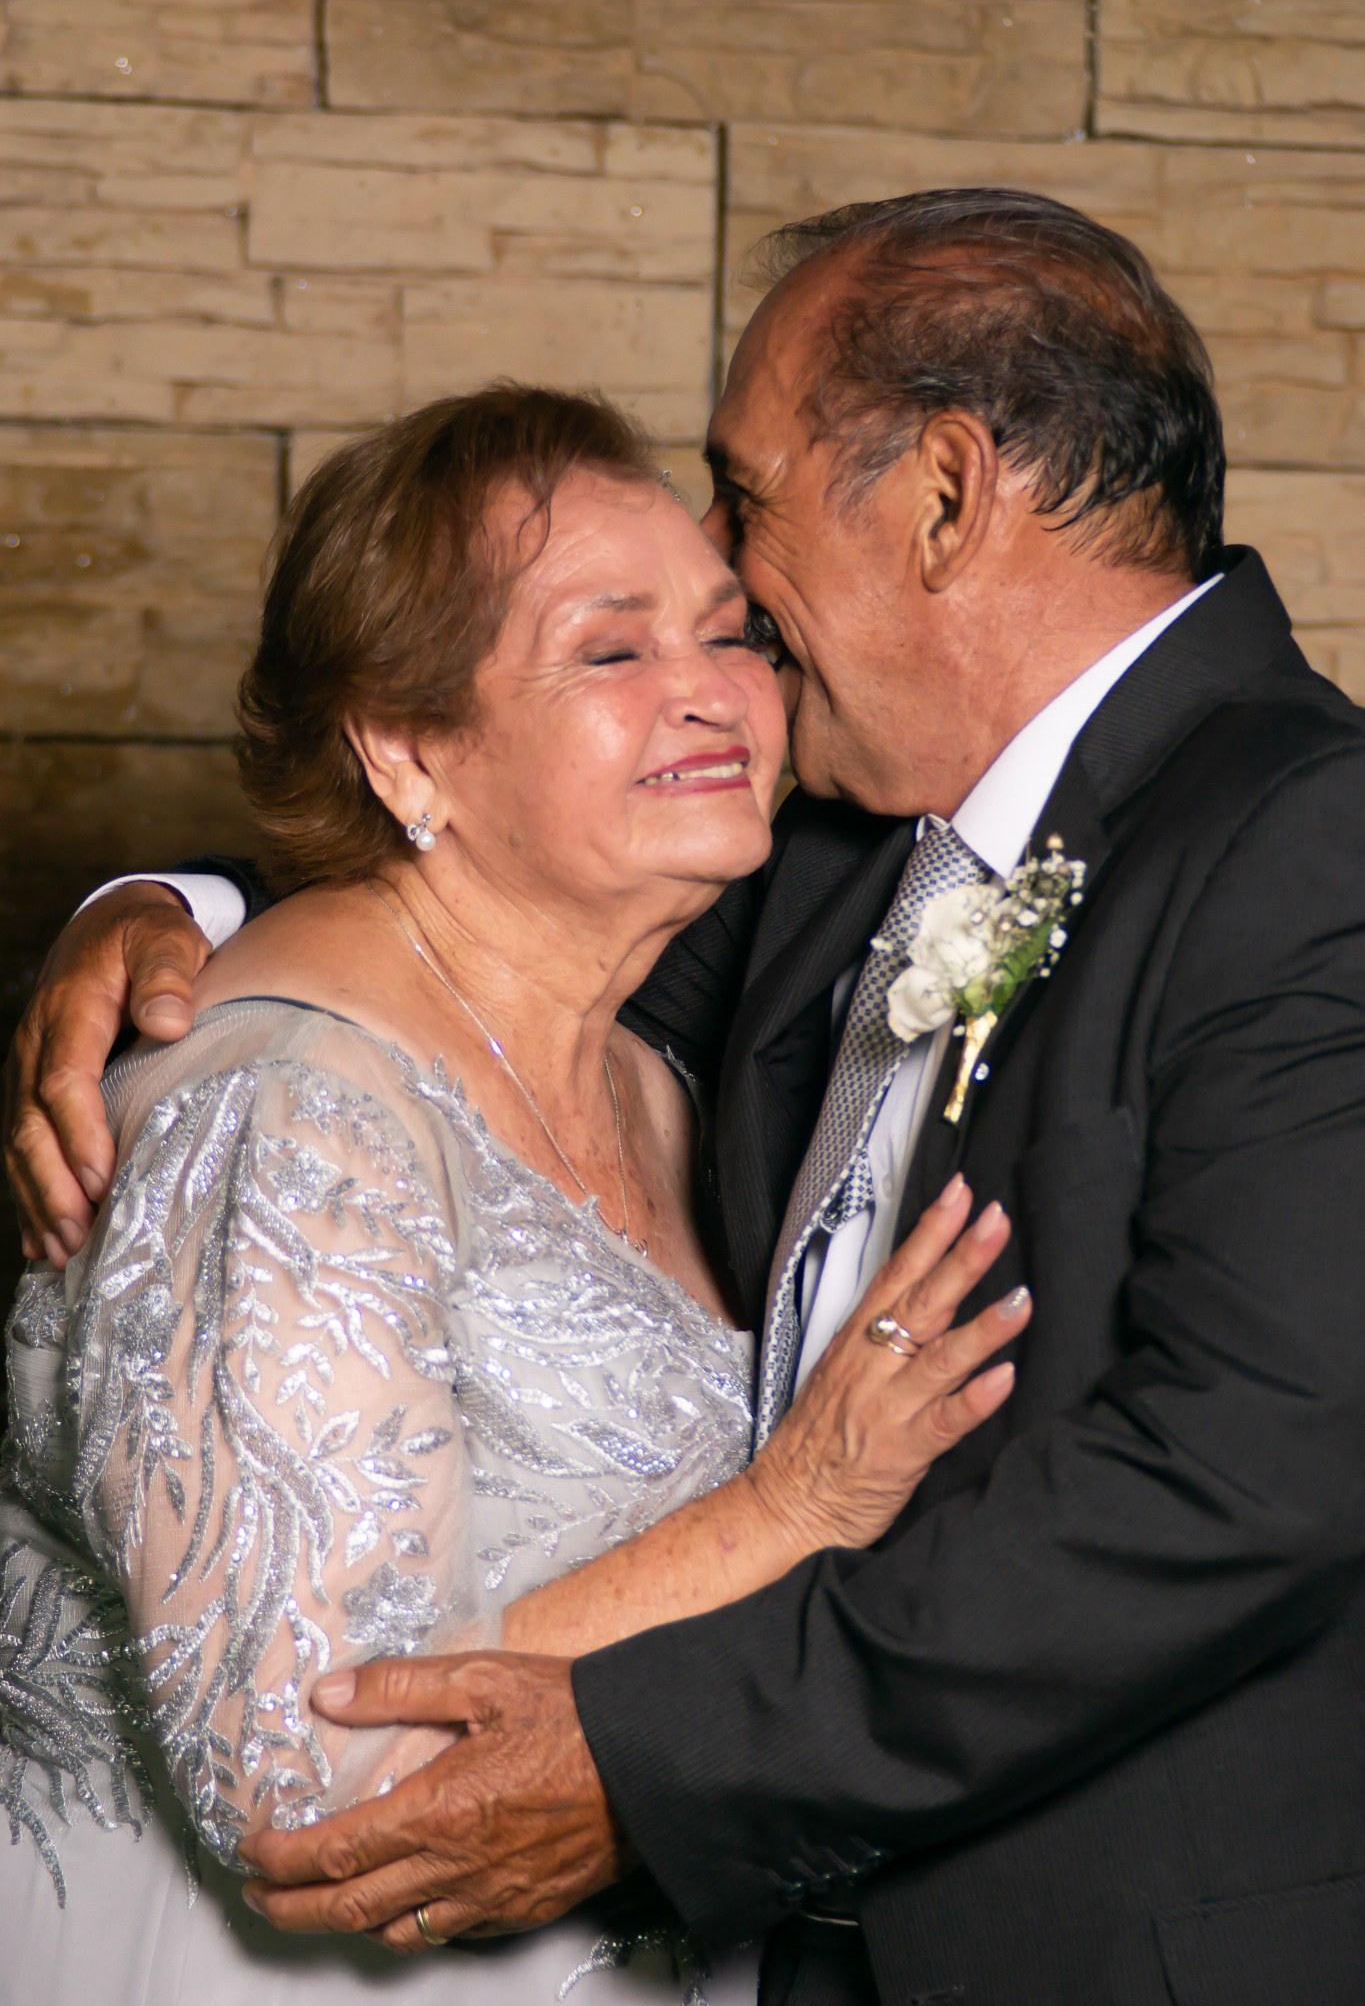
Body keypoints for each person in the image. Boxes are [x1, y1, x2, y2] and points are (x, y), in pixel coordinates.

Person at [11, 184, 1365, 2003]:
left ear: (946, 495)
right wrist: (159, 915)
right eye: (632, 626)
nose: (727, 630)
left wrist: (662, 1756)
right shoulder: (827, 845)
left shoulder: (1308, 835)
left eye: (745, 499)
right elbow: (470, 906)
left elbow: (1247, 1468)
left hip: (1096, 1952)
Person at [0, 384, 1029, 2006]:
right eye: (612, 653)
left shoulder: (665, 1074)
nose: (714, 698)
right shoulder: (281, 1117)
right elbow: (310, 1786)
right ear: (408, 746)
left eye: (728, 633)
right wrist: (794, 1506)